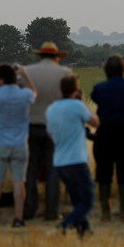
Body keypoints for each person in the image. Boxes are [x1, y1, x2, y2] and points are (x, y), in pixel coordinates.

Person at [90, 54, 124, 222]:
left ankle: (105, 213)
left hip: (104, 134)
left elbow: (94, 98)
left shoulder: (98, 88)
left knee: (104, 173)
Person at [23, 42, 72, 221]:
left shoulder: (28, 72)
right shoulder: (65, 73)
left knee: (31, 169)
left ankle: (29, 209)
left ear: (40, 55)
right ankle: (51, 211)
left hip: (32, 125)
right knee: (53, 170)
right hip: (55, 128)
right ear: (57, 57)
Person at [45, 75, 99, 238]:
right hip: (76, 160)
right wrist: (82, 102)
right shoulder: (77, 105)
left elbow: (49, 134)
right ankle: (60, 228)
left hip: (59, 161)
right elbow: (95, 122)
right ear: (76, 90)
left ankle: (84, 232)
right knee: (87, 201)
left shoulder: (51, 108)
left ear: (60, 89)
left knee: (77, 201)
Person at [0, 63, 37, 227]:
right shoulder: (24, 94)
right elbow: (34, 93)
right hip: (20, 144)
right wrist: (26, 74)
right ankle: (18, 217)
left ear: (0, 79)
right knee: (18, 182)